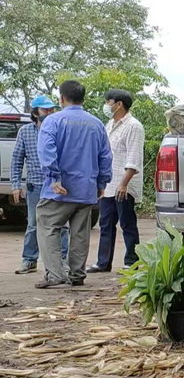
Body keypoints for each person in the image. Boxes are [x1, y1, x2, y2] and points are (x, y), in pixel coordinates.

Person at [35, 80, 113, 289]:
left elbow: (46, 151)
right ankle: (77, 274)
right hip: (86, 189)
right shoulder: (96, 123)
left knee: (48, 227)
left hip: (59, 190)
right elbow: (105, 156)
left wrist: (54, 177)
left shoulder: (52, 122)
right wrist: (102, 182)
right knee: (80, 232)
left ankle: (55, 274)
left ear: (61, 99)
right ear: (83, 98)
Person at [10, 96, 68, 274]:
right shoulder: (25, 132)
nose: (49, 113)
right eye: (45, 110)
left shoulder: (61, 129)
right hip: (35, 185)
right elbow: (17, 159)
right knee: (34, 224)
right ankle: (29, 260)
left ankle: (62, 261)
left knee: (62, 225)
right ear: (35, 113)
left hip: (56, 185)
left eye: (51, 109)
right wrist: (16, 185)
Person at [88, 89, 144, 273]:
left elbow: (134, 158)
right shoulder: (109, 124)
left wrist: (124, 183)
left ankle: (131, 261)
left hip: (123, 184)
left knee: (127, 223)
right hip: (110, 184)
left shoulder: (133, 126)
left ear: (119, 104)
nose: (106, 105)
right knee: (106, 223)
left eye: (108, 101)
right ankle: (103, 262)